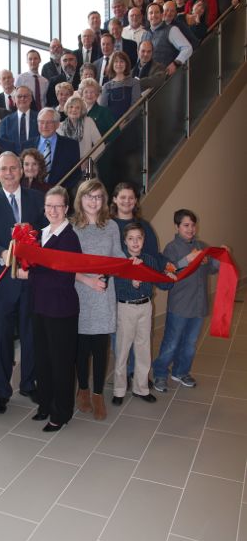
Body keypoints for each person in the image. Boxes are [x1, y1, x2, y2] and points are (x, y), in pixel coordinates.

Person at [0, 152, 46, 414]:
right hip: (1, 283)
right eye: (3, 169)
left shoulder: (37, 199)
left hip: (31, 281)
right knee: (1, 338)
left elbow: (43, 236)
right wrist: (3, 254)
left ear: (22, 170)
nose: (9, 173)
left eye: (13, 168)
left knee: (31, 335)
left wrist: (32, 258)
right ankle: (2, 390)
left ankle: (29, 383)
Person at [28, 186, 82, 432]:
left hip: (61, 310)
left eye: (58, 206)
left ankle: (61, 412)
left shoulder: (70, 238)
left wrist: (29, 272)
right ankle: (45, 404)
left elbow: (62, 278)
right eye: (49, 206)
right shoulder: (41, 234)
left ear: (66, 209)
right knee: (43, 360)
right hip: (40, 307)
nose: (53, 210)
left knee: (61, 363)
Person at [153, 209, 223, 392]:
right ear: (177, 227)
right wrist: (186, 260)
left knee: (190, 344)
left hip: (199, 306)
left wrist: (222, 257)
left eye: (193, 225)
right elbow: (167, 272)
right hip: (180, 305)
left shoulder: (202, 246)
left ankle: (180, 371)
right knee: (171, 342)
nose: (190, 229)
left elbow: (214, 269)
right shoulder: (171, 248)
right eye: (186, 225)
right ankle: (160, 373)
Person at [72, 180, 125, 420]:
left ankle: (97, 395)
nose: (93, 201)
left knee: (101, 349)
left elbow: (117, 256)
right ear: (80, 199)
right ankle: (82, 389)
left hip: (104, 293)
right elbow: (65, 265)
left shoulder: (111, 226)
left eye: (98, 197)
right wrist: (88, 281)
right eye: (88, 196)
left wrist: (130, 266)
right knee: (82, 349)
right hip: (80, 292)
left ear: (103, 201)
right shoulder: (71, 227)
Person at [113, 222, 174, 406]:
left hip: (145, 307)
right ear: (125, 241)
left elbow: (160, 282)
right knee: (122, 350)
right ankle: (119, 390)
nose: (135, 242)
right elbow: (116, 288)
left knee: (143, 348)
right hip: (126, 308)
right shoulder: (120, 261)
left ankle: (141, 388)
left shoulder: (149, 260)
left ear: (143, 240)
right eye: (131, 239)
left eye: (138, 238)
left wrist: (169, 279)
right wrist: (131, 282)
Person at [22, 107, 81, 190]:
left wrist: (62, 191)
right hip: (33, 194)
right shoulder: (26, 145)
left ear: (57, 124)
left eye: (49, 122)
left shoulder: (71, 145)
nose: (45, 126)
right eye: (41, 122)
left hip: (60, 194)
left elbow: (75, 174)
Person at [142, 3, 193, 76]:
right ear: (147, 17)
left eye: (157, 12)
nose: (153, 15)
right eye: (151, 13)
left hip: (165, 79)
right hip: (147, 77)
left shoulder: (172, 30)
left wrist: (175, 64)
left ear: (162, 15)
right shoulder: (145, 34)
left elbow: (188, 48)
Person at [59, 95, 104, 174]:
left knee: (88, 186)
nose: (74, 110)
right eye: (71, 107)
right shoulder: (59, 126)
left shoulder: (88, 121)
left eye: (77, 108)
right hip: (67, 168)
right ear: (67, 109)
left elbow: (100, 145)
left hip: (87, 166)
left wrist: (88, 160)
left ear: (81, 110)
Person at [99, 51, 141, 120]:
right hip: (112, 126)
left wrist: (124, 122)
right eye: (116, 62)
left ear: (126, 64)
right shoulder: (106, 86)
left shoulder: (134, 82)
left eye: (121, 61)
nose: (119, 64)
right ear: (112, 65)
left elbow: (135, 106)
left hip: (131, 124)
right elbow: (103, 110)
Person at [0, 85, 39, 153]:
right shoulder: (5, 122)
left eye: (25, 96)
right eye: (19, 96)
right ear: (14, 99)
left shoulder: (40, 118)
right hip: (12, 161)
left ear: (31, 99)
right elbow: (3, 145)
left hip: (36, 159)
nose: (22, 99)